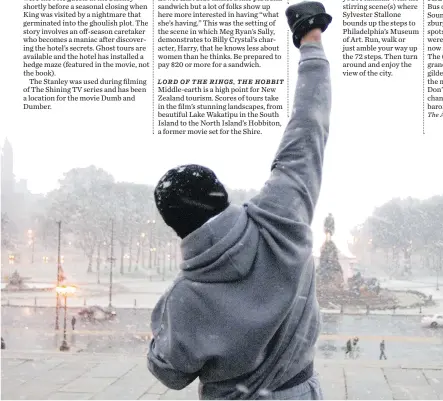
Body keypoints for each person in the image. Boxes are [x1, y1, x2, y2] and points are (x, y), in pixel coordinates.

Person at [146, 2, 332, 399]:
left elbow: (169, 372)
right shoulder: (280, 217)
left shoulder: (185, 297)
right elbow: (308, 126)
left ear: (174, 225)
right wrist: (310, 41)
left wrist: (163, 320)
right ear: (222, 193)